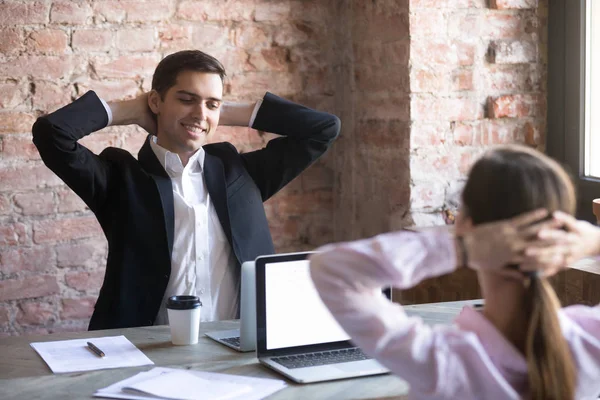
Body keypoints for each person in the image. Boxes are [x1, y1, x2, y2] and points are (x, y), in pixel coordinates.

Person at [32, 50, 340, 330]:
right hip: (144, 350)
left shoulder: (241, 174)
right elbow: (52, 133)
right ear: (155, 102)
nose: (199, 113)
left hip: (240, 347)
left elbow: (324, 129)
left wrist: (221, 114)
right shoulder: (119, 178)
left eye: (211, 103)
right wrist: (128, 111)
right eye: (186, 99)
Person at [310, 144, 600, 400]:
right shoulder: (588, 342)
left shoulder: (441, 363)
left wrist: (462, 248)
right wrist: (594, 241)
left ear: (463, 224)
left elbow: (333, 268)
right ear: (562, 234)